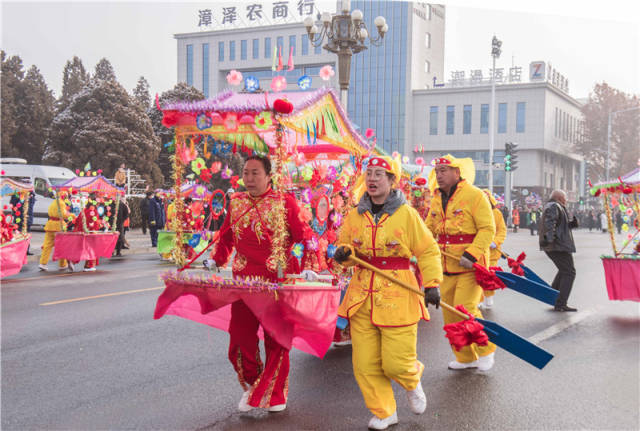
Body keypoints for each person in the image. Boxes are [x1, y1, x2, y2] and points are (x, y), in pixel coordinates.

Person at [332, 155, 442, 430]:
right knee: (365, 364)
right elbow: (345, 250)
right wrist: (344, 254)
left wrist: (432, 284)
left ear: (392, 181)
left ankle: (412, 379)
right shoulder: (355, 214)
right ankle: (384, 411)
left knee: (396, 363)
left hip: (398, 295)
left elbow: (427, 250)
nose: (372, 178)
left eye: (379, 174)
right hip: (361, 296)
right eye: (369, 173)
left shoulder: (407, 214)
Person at [203, 155, 318, 413]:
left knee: (276, 341)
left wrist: (308, 266)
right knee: (239, 340)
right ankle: (256, 387)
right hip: (244, 283)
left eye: (256, 173)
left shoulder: (285, 202)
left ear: (269, 176)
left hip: (277, 282)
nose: (250, 178)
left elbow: (304, 237)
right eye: (246, 173)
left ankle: (275, 394)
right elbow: (226, 237)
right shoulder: (237, 202)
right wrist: (217, 260)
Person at [425, 154, 497, 371]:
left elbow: (488, 229)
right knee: (449, 317)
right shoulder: (436, 198)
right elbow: (427, 230)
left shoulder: (475, 195)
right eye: (437, 171)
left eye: (444, 170)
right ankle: (466, 358)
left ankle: (486, 349)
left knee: (466, 310)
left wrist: (472, 254)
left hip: (468, 266)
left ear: (457, 173)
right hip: (445, 266)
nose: (439, 175)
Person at [539, 190, 579, 312]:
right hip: (557, 246)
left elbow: (560, 226)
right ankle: (560, 303)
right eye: (565, 198)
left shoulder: (555, 206)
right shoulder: (553, 206)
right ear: (560, 197)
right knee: (569, 272)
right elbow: (550, 223)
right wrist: (550, 239)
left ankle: (554, 297)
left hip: (557, 245)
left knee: (565, 270)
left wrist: (572, 224)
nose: (566, 200)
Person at [479, 189, 507, 309]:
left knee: (489, 275)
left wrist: (495, 242)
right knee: (478, 276)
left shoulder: (497, 213)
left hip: (493, 253)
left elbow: (502, 230)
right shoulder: (476, 213)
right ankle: (478, 299)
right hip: (479, 251)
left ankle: (489, 297)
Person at [39, 192, 74, 272]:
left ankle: (43, 263)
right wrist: (72, 215)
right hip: (58, 226)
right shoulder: (61, 203)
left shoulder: (53, 202)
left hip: (50, 225)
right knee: (62, 245)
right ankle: (62, 264)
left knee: (47, 245)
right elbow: (63, 214)